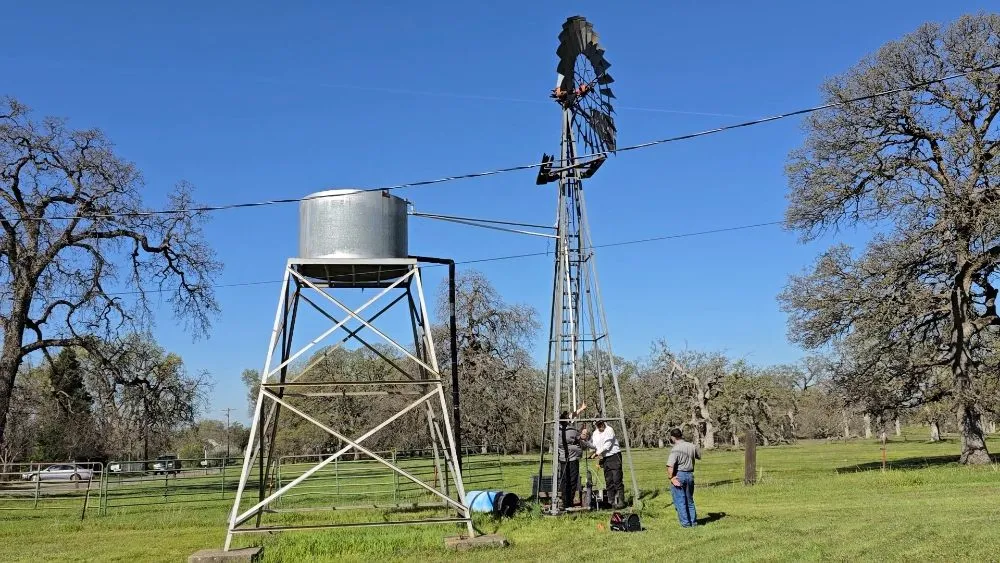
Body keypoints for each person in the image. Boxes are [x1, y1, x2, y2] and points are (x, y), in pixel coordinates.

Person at [666, 427, 700, 528]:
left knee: (680, 501)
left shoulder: (675, 449)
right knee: (690, 500)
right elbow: (698, 456)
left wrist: (671, 478)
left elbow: (670, 466)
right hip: (690, 475)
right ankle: (693, 522)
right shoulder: (691, 446)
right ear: (681, 435)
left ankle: (686, 524)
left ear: (673, 437)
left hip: (679, 475)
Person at [589, 419, 626, 509]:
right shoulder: (595, 433)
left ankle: (621, 502)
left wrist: (597, 453)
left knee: (617, 479)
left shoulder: (609, 430)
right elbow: (594, 445)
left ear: (604, 423)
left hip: (614, 456)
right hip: (605, 458)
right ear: (596, 425)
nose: (600, 426)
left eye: (601, 424)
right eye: (598, 425)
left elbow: (607, 445)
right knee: (608, 480)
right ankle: (611, 502)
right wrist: (592, 451)